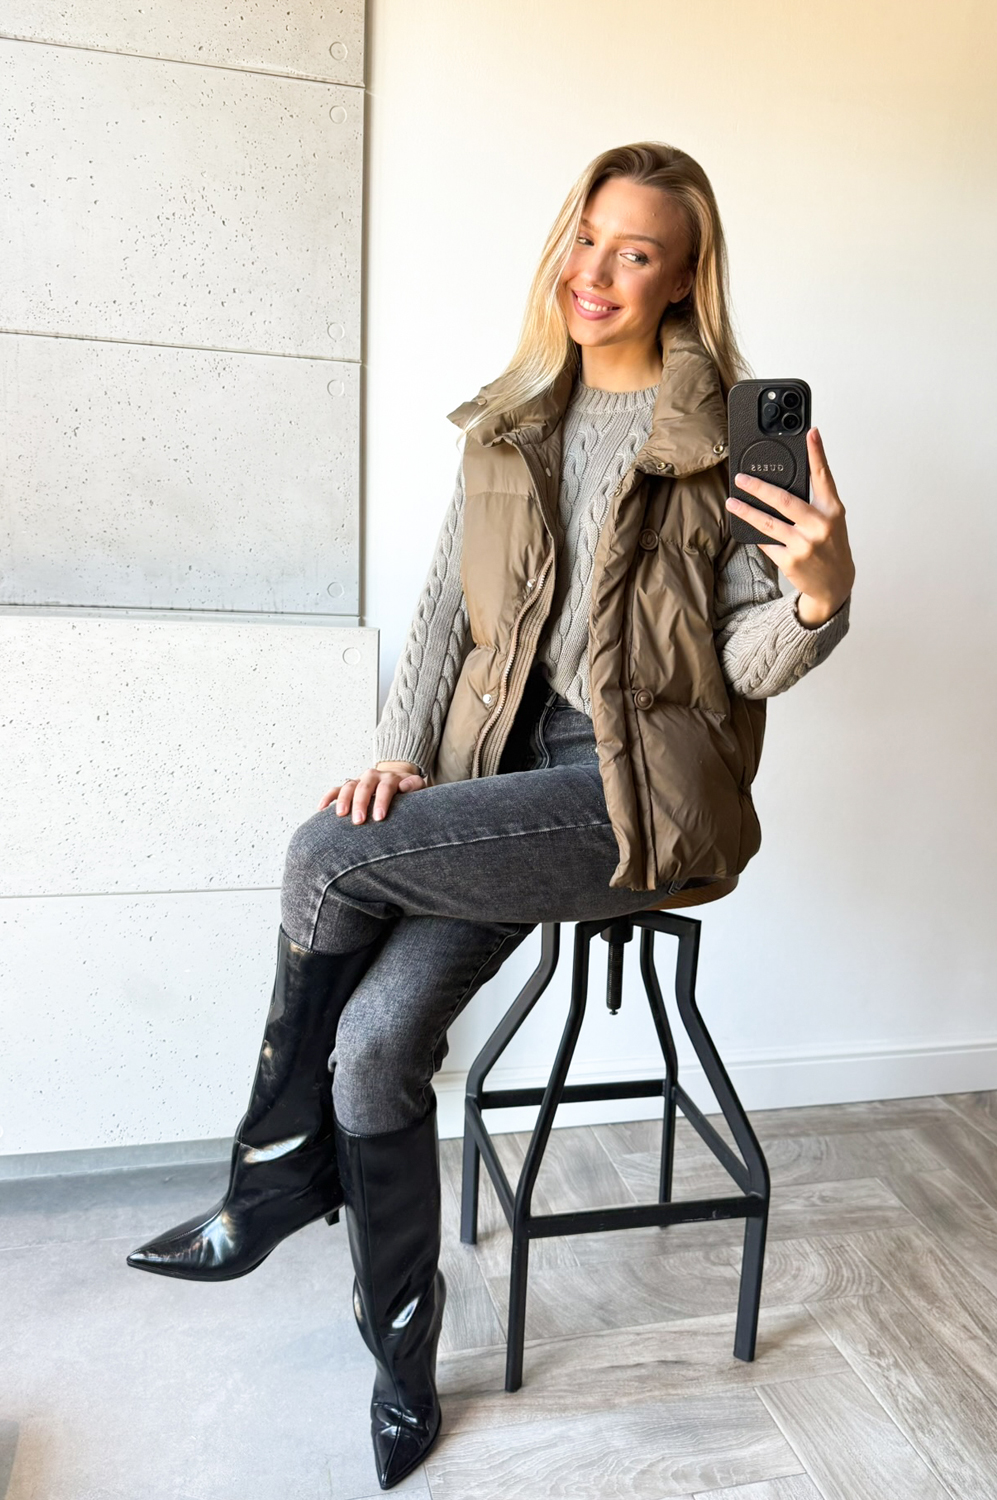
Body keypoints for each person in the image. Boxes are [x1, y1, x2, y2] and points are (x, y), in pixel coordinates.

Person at [127, 142, 854, 1489]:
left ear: (684, 277)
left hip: (632, 797)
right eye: (587, 236)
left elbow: (745, 661)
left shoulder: (726, 440)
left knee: (320, 859)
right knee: (371, 1049)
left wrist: (819, 594)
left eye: (636, 251)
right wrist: (397, 761)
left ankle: (269, 1179)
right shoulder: (511, 420)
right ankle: (399, 1355)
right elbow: (441, 618)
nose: (597, 270)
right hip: (489, 785)